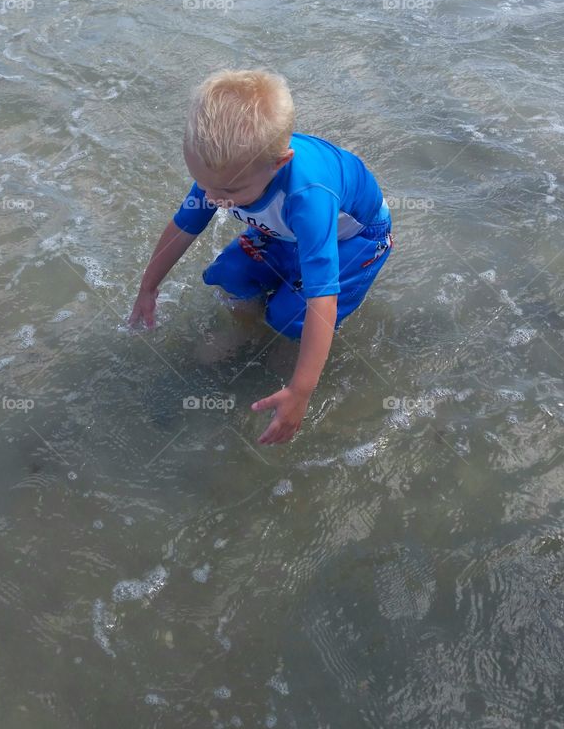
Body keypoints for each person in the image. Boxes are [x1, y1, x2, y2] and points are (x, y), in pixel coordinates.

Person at [129, 69, 393, 446]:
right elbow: (184, 226)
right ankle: (245, 328)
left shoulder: (307, 196)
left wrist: (301, 390)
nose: (213, 198)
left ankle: (288, 347)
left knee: (289, 314)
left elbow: (323, 297)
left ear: (278, 164)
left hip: (355, 240)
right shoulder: (221, 171)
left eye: (229, 191)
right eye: (204, 185)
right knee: (229, 274)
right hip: (286, 232)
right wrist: (148, 287)